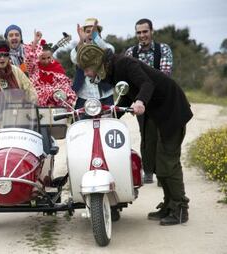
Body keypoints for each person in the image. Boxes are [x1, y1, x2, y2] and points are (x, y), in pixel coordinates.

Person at [76, 44, 192, 226]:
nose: (86, 74)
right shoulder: (113, 71)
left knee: (167, 161)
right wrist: (111, 114)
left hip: (171, 109)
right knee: (152, 157)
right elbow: (128, 93)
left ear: (97, 63)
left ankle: (179, 209)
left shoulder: (125, 64)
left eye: (87, 69)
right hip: (156, 113)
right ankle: (168, 204)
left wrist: (140, 101)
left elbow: (147, 84)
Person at [125, 18, 174, 184]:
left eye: (145, 31)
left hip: (161, 100)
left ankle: (162, 173)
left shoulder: (163, 49)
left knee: (163, 136)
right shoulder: (130, 53)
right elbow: (128, 78)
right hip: (141, 102)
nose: (142, 35)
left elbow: (165, 75)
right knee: (146, 136)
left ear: (152, 31)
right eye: (138, 32)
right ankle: (147, 171)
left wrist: (145, 85)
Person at [70, 18, 115, 109]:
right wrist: (81, 41)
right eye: (87, 31)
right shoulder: (78, 49)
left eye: (93, 31)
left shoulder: (108, 47)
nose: (90, 34)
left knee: (109, 121)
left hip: (105, 95)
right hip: (84, 96)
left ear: (99, 34)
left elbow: (108, 52)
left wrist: (95, 37)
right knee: (80, 122)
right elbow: (74, 58)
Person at [24, 30, 76, 107]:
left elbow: (64, 85)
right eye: (43, 58)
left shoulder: (57, 67)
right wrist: (35, 41)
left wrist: (56, 96)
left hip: (57, 103)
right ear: (38, 58)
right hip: (39, 105)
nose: (46, 61)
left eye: (49, 58)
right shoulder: (34, 68)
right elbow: (29, 58)